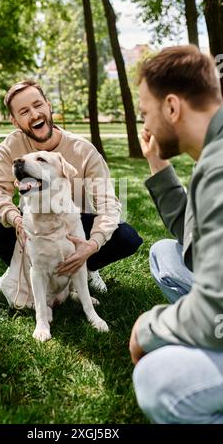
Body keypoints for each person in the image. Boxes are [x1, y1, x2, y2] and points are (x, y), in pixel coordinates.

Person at [0, 80, 143, 301]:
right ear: (14, 121)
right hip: (33, 223)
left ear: (48, 105)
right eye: (24, 111)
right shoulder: (11, 146)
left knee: (127, 237)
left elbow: (109, 204)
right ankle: (20, 266)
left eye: (38, 105)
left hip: (74, 225)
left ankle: (85, 269)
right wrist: (15, 219)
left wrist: (92, 244)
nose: (34, 114)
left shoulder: (83, 150)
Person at [129, 45, 223, 424]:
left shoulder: (217, 169)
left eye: (145, 113)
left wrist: (149, 328)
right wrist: (157, 163)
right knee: (166, 253)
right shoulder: (211, 155)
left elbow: (214, 312)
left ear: (172, 107)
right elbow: (193, 239)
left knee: (157, 380)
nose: (146, 125)